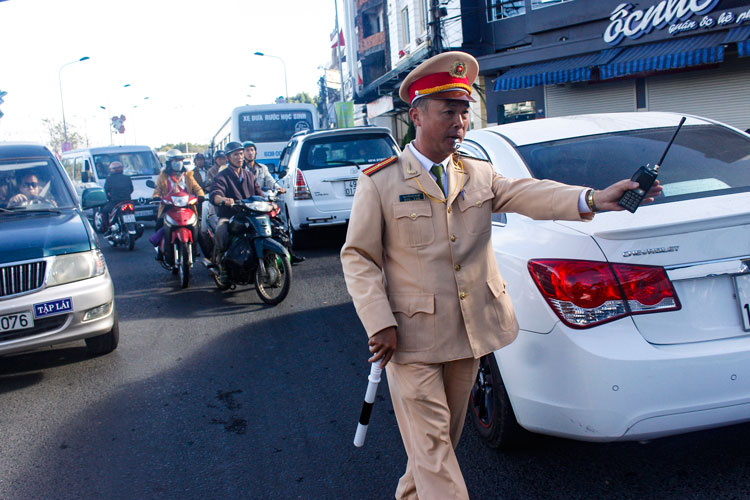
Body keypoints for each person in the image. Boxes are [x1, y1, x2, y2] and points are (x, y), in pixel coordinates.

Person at [339, 51, 662, 500]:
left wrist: (594, 198)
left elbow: (532, 194)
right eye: (448, 111)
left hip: (469, 335)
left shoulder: (478, 173)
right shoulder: (381, 182)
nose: (460, 122)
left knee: (437, 448)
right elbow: (358, 257)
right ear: (416, 115)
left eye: (465, 112)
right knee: (433, 452)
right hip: (409, 340)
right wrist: (380, 322)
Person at [241, 140, 305, 264]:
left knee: (279, 227)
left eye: (252, 150)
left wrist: (278, 189)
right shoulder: (241, 170)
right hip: (248, 206)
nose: (250, 153)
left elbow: (271, 182)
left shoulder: (262, 168)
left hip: (262, 204)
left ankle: (289, 255)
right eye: (247, 150)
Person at [209, 141, 264, 283]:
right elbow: (215, 193)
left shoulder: (249, 175)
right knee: (221, 230)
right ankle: (222, 265)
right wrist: (222, 199)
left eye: (241, 154)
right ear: (227, 157)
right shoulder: (222, 176)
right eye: (235, 154)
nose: (240, 157)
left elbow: (259, 192)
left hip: (250, 214)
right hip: (230, 215)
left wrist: (268, 199)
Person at [152, 149, 205, 260]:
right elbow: (157, 190)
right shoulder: (163, 176)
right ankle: (161, 251)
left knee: (198, 230)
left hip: (187, 207)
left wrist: (200, 195)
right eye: (175, 160)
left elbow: (197, 188)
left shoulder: (188, 175)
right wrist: (156, 197)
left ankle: (202, 254)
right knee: (159, 224)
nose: (178, 163)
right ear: (169, 163)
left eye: (180, 160)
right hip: (169, 207)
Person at [101, 161, 133, 230]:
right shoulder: (127, 178)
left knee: (104, 211)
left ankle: (108, 228)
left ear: (112, 170)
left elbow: (106, 190)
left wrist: (110, 196)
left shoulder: (109, 179)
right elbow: (131, 189)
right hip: (127, 201)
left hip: (115, 202)